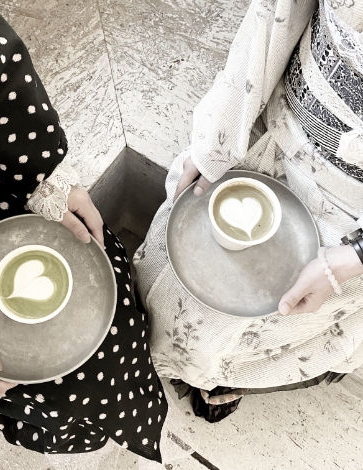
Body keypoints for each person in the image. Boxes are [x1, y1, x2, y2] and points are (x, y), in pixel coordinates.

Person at [0, 0, 167, 463]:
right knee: (23, 377)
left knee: (104, 296)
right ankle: (75, 438)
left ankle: (129, 415)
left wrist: (39, 167)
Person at [135, 0, 363, 422]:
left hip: (350, 215)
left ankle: (224, 381)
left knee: (274, 321)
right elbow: (279, 12)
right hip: (278, 127)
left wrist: (355, 256)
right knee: (177, 278)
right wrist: (215, 141)